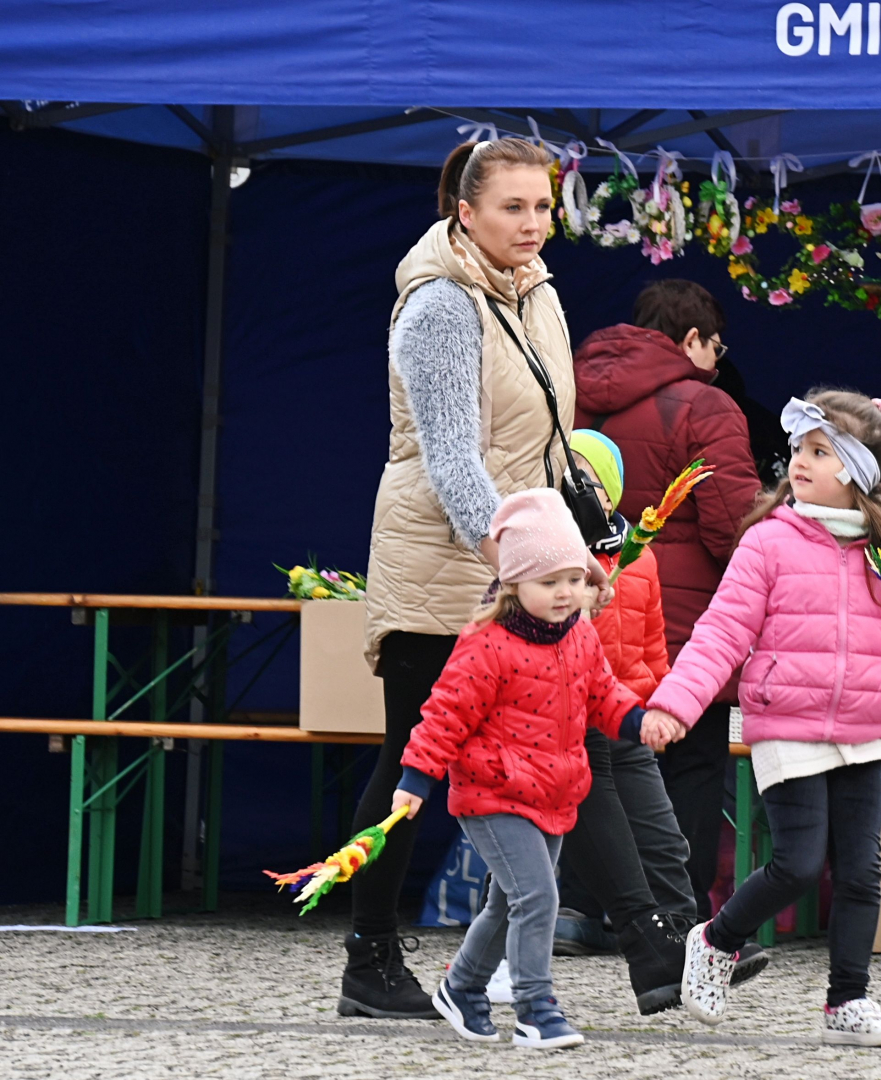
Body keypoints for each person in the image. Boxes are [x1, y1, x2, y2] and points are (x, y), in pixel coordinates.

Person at [641, 390, 881, 1045]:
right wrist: (675, 704)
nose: (799, 463)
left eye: (819, 451)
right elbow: (721, 632)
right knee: (799, 865)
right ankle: (716, 940)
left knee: (863, 872)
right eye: (798, 450)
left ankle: (848, 1003)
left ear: (858, 470)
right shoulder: (768, 541)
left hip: (863, 729)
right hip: (786, 723)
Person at [346, 136, 575, 1019]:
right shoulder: (440, 303)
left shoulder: (537, 293)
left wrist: (575, 530)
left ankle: (618, 942)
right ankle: (370, 959)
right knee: (410, 763)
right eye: (513, 207)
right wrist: (519, 561)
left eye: (543, 205)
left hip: (514, 567)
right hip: (443, 569)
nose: (532, 222)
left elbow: (549, 441)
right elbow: (451, 458)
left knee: (546, 757)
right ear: (465, 213)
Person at [481, 431, 769, 1014]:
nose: (574, 485)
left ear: (610, 491)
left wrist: (657, 707)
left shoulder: (639, 557)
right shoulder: (540, 559)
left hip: (623, 716)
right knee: (538, 859)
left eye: (586, 476)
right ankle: (489, 967)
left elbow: (653, 646)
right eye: (566, 473)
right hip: (563, 726)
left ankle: (689, 946)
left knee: (664, 840)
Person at [390, 487, 685, 1050]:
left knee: (509, 902)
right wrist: (415, 779)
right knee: (538, 897)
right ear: (515, 583)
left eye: (574, 579)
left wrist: (640, 721)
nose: (565, 593)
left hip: (552, 792)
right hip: (492, 794)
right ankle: (535, 1008)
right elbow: (444, 715)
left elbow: (604, 695)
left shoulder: (579, 636)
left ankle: (461, 987)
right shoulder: (487, 645)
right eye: (549, 582)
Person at [573, 280, 761, 917]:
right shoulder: (705, 405)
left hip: (580, 611)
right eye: (716, 346)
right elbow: (732, 525)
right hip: (677, 623)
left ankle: (580, 908)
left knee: (592, 761)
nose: (717, 361)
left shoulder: (567, 393)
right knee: (689, 763)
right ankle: (675, 915)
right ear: (691, 339)